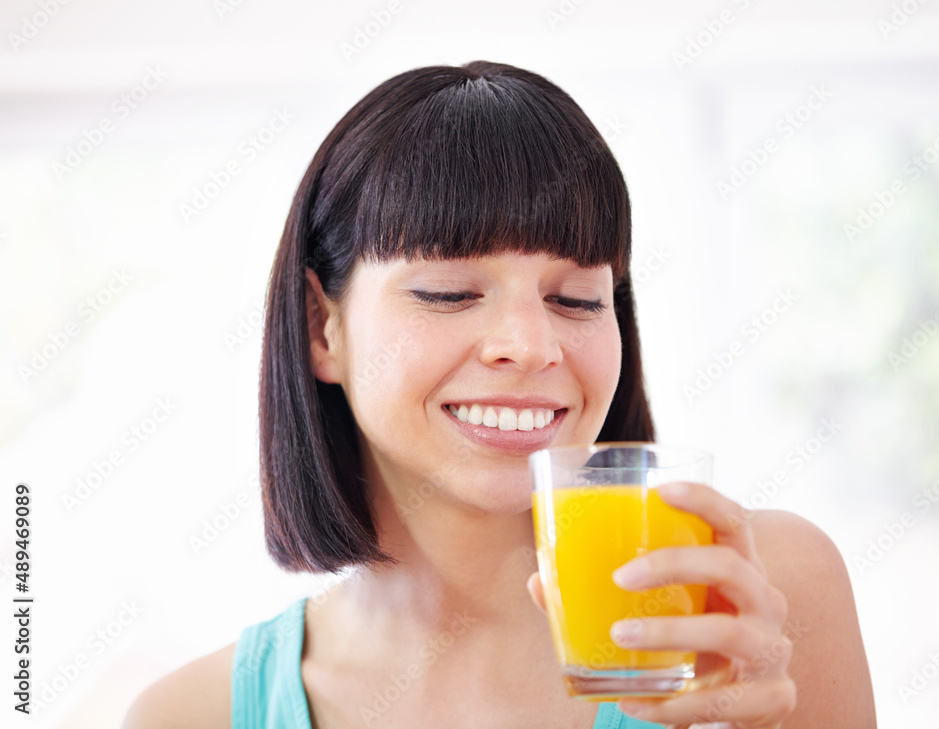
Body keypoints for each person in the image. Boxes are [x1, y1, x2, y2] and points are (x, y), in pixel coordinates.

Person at [123, 60, 876, 729]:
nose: (533, 344)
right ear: (323, 329)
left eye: (578, 299)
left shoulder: (760, 598)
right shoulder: (188, 716)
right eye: (450, 292)